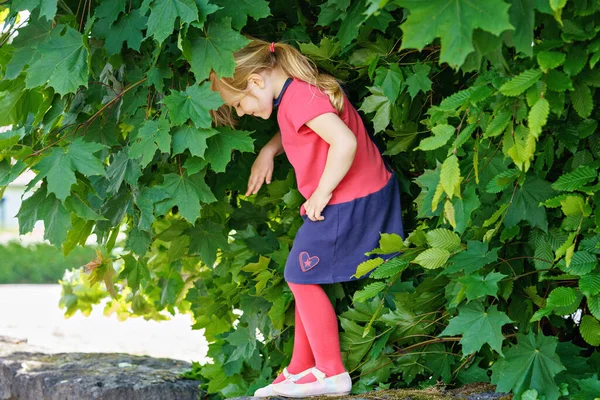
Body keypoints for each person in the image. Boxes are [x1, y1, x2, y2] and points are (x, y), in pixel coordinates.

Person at [209, 38, 405, 398]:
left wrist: (323, 191)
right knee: (305, 275)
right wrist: (268, 150)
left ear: (255, 81)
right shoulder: (292, 94)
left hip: (350, 197)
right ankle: (301, 369)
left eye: (239, 104)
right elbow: (302, 125)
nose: (240, 112)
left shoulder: (298, 96)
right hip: (354, 192)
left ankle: (332, 373)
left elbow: (344, 142)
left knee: (299, 275)